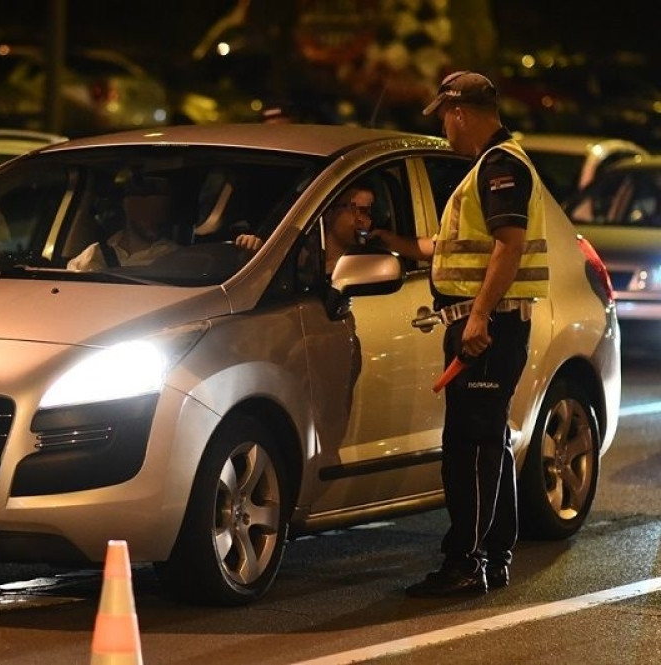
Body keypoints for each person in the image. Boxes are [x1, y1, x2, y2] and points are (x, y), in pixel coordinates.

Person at [372, 71, 549, 597]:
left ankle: (466, 564)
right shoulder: (487, 168)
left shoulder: (499, 167)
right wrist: (392, 240)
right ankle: (493, 556)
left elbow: (508, 245)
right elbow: (450, 247)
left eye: (445, 117)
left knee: (469, 449)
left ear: (461, 113)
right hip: (487, 325)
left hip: (487, 328)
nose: (445, 129)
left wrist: (477, 319)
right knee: (487, 441)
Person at [235, 181, 375, 274]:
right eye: (355, 210)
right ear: (330, 214)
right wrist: (255, 253)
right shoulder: (296, 252)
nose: (361, 219)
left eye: (367, 212)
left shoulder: (366, 267)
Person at [67, 177, 179, 271]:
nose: (155, 218)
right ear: (128, 206)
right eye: (148, 209)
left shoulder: (177, 257)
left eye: (161, 211)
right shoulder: (94, 253)